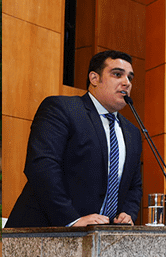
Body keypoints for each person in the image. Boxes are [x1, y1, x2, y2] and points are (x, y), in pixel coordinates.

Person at [6, 50, 142, 228]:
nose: (126, 83)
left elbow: (134, 185)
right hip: (46, 231)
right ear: (94, 78)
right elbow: (42, 166)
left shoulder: (132, 131)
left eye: (130, 78)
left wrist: (127, 213)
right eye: (117, 74)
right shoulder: (62, 109)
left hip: (103, 237)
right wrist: (71, 220)